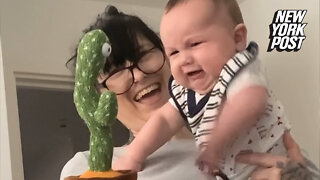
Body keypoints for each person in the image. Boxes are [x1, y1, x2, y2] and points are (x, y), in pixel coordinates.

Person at [61, 4, 319, 180]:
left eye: (143, 55)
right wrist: (132, 157)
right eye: (115, 70)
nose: (138, 75)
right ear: (96, 96)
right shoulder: (91, 169)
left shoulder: (256, 133)